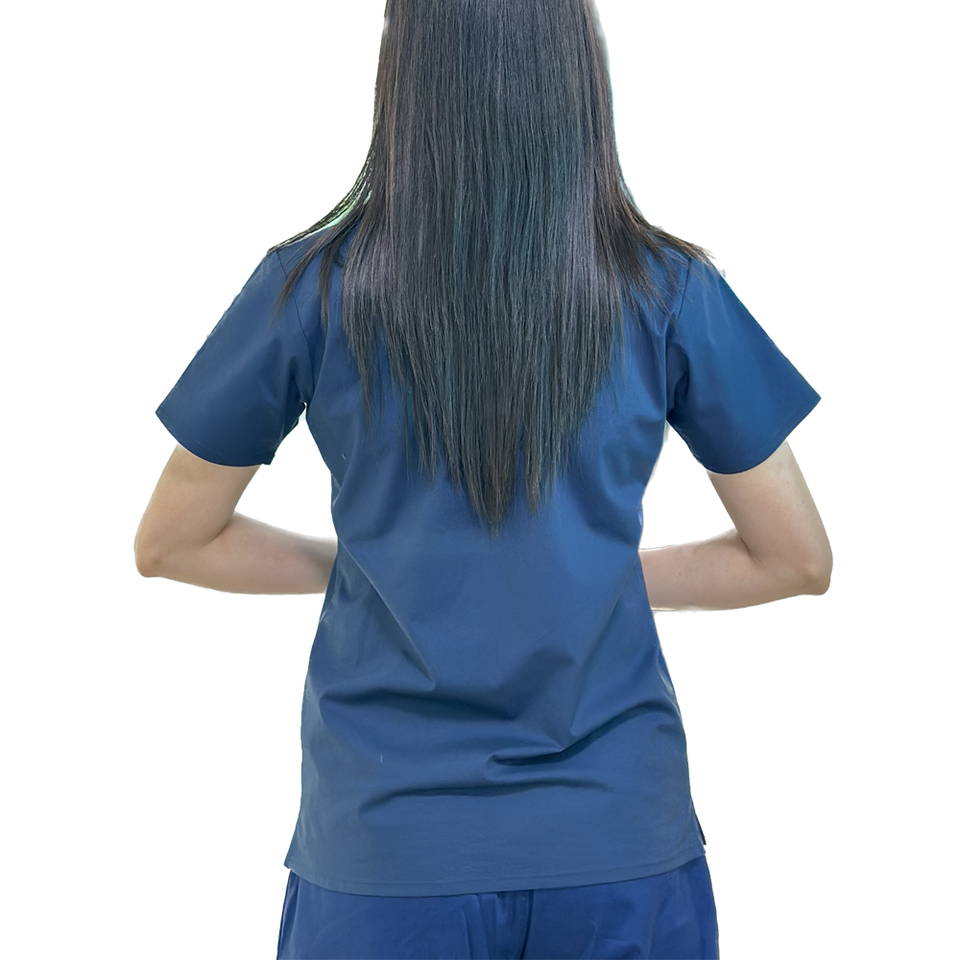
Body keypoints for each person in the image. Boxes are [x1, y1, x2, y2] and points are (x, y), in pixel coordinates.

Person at [134, 1, 831, 957]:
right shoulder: (669, 290)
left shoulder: (309, 288)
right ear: (576, 70)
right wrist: (577, 578)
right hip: (615, 840)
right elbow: (793, 559)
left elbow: (173, 542)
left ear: (406, 71)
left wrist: (383, 571)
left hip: (387, 853)